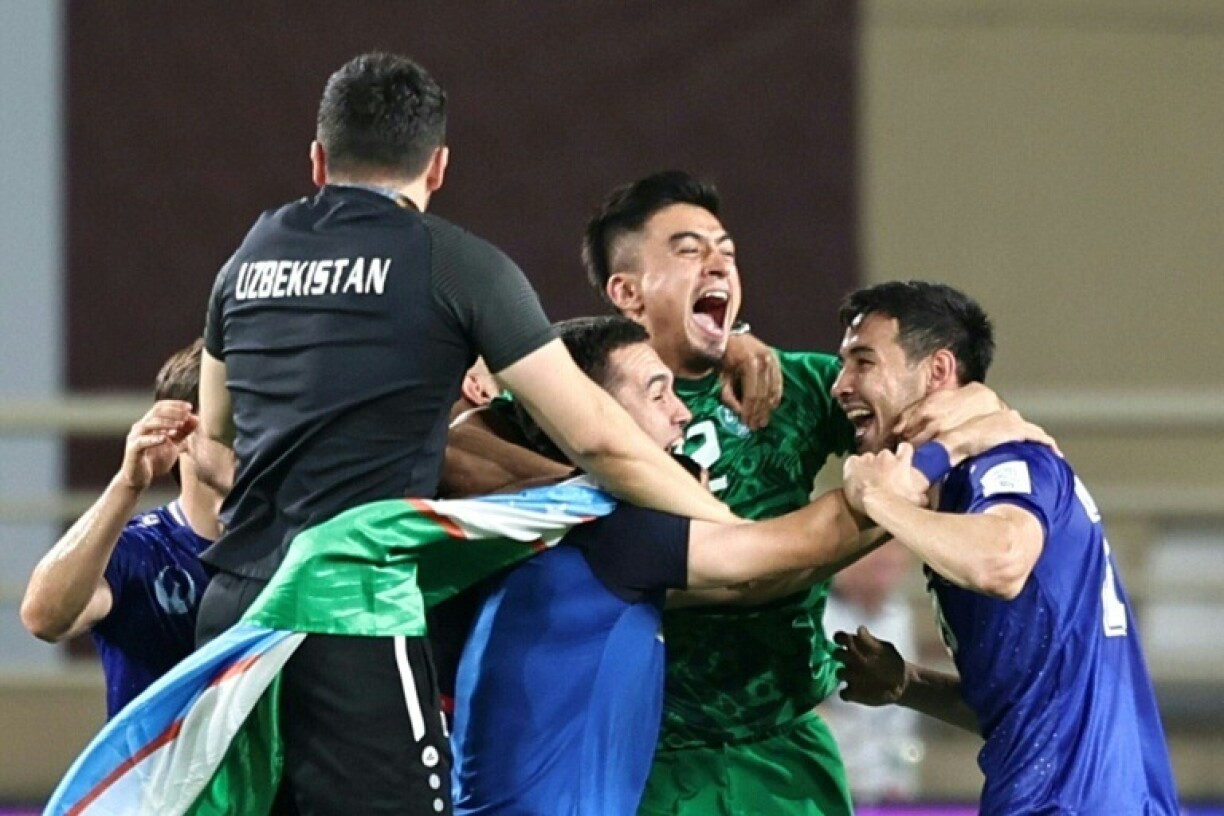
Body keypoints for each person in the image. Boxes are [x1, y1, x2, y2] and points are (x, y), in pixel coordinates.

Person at [195, 54, 735, 816]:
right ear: (438, 166)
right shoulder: (453, 264)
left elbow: (214, 450)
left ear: (318, 159)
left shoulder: (247, 260)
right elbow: (601, 440)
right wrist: (720, 523)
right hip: (349, 614)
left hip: (233, 615)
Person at [450, 316, 909, 815]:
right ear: (593, 418)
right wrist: (921, 473)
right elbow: (778, 559)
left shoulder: (548, 519)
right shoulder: (613, 532)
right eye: (657, 394)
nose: (684, 414)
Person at [831, 281, 1180, 814]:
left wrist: (879, 498)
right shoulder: (960, 496)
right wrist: (907, 684)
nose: (841, 385)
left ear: (939, 371)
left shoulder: (1006, 464)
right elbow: (1021, 708)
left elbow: (1003, 559)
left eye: (862, 362)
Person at [581, 170, 864, 815]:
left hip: (786, 751)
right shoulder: (580, 400)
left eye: (726, 251)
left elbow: (917, 420)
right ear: (626, 292)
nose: (718, 263)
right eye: (688, 250)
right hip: (646, 757)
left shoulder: (797, 386)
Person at [20, 339, 232, 718]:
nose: (249, 436)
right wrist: (128, 484)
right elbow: (44, 617)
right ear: (180, 431)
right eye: (230, 419)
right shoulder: (141, 550)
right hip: (158, 776)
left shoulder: (290, 547)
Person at [819, 542, 923, 803]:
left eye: (897, 548)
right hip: (830, 787)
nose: (887, 558)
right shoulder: (817, 617)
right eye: (876, 548)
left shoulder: (898, 614)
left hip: (890, 790)